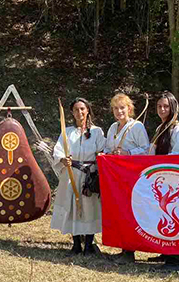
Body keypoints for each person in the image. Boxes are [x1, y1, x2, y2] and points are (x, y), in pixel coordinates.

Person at [50, 97, 105, 255]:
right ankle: (75, 244)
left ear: (88, 110)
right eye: (76, 109)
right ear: (72, 113)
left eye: (82, 109)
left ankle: (88, 244)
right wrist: (63, 159)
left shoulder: (97, 132)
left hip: (89, 176)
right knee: (73, 207)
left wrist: (101, 156)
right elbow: (58, 150)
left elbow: (103, 150)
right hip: (71, 175)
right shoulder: (67, 132)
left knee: (90, 208)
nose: (79, 112)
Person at [103, 91, 150, 264]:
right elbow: (108, 148)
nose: (118, 111)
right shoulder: (112, 127)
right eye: (115, 108)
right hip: (116, 177)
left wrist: (128, 152)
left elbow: (146, 149)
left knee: (131, 212)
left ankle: (130, 251)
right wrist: (107, 154)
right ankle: (124, 249)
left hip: (131, 177)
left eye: (122, 108)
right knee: (120, 211)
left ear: (129, 109)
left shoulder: (136, 127)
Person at [146, 91, 179, 272]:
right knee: (162, 215)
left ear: (173, 107)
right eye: (159, 106)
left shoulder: (177, 128)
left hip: (171, 180)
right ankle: (165, 251)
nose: (162, 109)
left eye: (166, 106)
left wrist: (159, 162)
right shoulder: (161, 127)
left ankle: (174, 258)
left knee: (172, 215)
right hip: (160, 178)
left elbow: (178, 154)